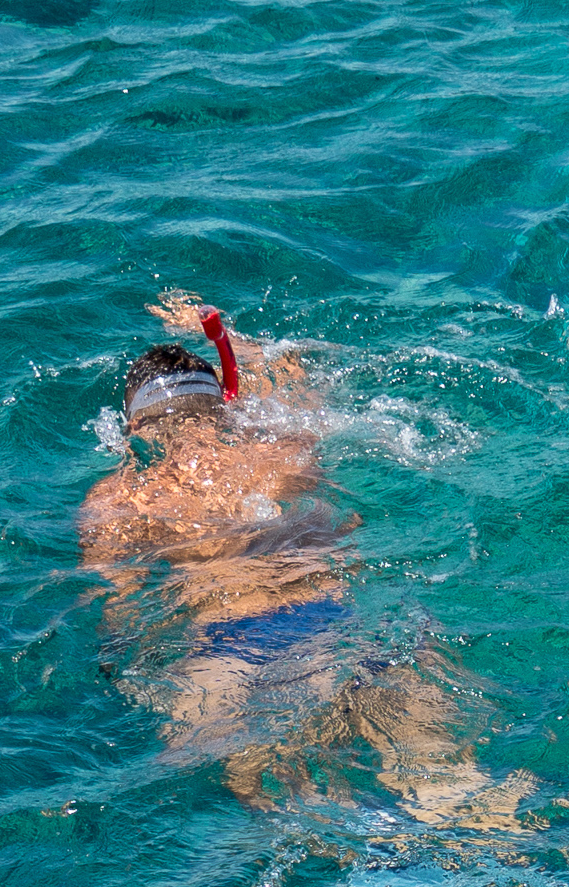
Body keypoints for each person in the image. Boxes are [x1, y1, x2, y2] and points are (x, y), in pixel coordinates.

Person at [81, 292, 535, 830]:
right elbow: (293, 366)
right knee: (451, 780)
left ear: (132, 428)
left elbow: (119, 604)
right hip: (351, 620)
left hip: (232, 650)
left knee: (295, 810)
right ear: (226, 402)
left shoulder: (122, 498)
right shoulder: (287, 447)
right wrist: (221, 334)